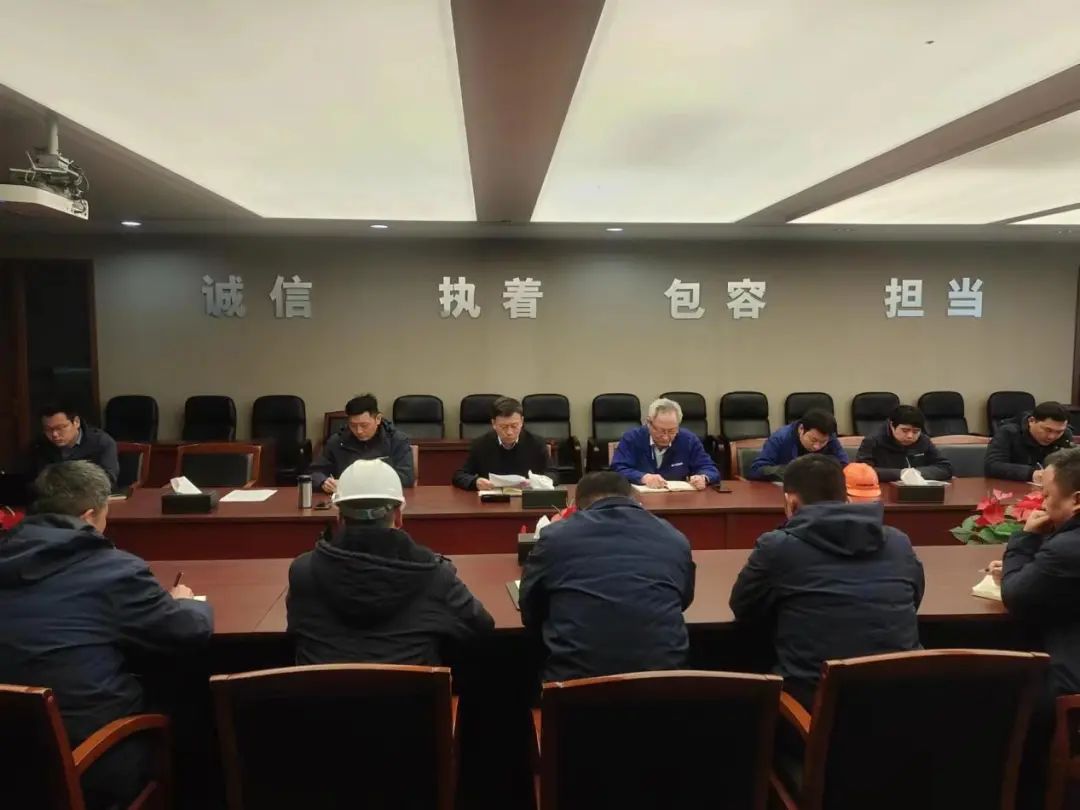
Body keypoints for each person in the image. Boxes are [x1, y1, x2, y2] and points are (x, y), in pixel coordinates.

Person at [0, 461, 212, 810]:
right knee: (188, 702)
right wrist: (187, 604)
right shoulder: (112, 571)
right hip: (85, 764)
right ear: (88, 516)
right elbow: (188, 632)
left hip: (9, 761)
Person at [730, 454, 924, 709]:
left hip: (817, 710)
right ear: (846, 498)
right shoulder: (898, 541)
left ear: (791, 502)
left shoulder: (778, 547)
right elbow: (914, 598)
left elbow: (744, 609)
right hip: (903, 702)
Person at [288, 459, 493, 664]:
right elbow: (482, 627)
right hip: (411, 686)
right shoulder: (436, 577)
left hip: (322, 686)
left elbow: (295, 632)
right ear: (398, 517)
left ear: (339, 519)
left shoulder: (303, 572)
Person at [519, 471, 695, 681]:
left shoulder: (555, 538)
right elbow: (684, 599)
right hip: (664, 683)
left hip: (576, 686)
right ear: (634, 498)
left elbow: (530, 609)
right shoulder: (674, 537)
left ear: (576, 507)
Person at [999, 446, 1080, 810]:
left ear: (1076, 500)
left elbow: (1017, 596)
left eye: (1047, 495)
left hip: (1071, 686)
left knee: (1002, 699)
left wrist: (1025, 539)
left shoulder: (1068, 550)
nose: (1042, 503)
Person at [310, 394, 415, 492]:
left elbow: (406, 477)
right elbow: (314, 473)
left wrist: (362, 484)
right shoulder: (337, 442)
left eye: (364, 425)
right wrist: (323, 482)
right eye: (353, 425)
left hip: (384, 497)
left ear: (378, 419)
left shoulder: (397, 440)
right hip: (346, 499)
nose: (359, 431)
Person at [611, 397, 720, 489]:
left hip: (678, 499)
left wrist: (703, 477)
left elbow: (709, 468)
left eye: (672, 431)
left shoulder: (688, 439)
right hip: (639, 500)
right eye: (661, 431)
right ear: (649, 423)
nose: (666, 437)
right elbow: (618, 469)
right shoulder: (632, 438)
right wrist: (643, 477)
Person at [452, 396, 553, 490]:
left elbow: (554, 473)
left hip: (526, 498)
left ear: (522, 421)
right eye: (503, 427)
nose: (509, 432)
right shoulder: (480, 445)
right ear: (494, 423)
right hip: (492, 499)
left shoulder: (536, 443)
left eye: (514, 426)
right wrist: (475, 482)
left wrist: (535, 482)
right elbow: (459, 476)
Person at [24, 402, 119, 488]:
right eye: (48, 429)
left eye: (60, 427)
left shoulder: (101, 442)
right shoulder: (40, 445)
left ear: (76, 422)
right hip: (53, 497)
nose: (54, 434)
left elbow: (108, 480)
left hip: (91, 496)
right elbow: (33, 481)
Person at [856, 404, 952, 482]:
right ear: (892, 426)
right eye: (905, 430)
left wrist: (916, 473)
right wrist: (902, 473)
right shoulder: (873, 440)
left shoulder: (924, 440)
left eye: (916, 431)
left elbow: (945, 468)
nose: (910, 436)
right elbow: (862, 471)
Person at [747, 409, 849, 482]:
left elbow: (844, 464)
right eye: (813, 440)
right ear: (801, 429)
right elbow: (756, 470)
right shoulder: (780, 438)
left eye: (823, 442)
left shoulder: (829, 437)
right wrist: (790, 471)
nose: (817, 446)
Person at [985, 401, 1073, 483]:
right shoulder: (1008, 432)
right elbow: (993, 466)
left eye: (1059, 432)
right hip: (1011, 487)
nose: (1052, 437)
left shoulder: (1065, 436)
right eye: (1048, 430)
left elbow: (1070, 465)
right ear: (1032, 421)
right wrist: (1031, 473)